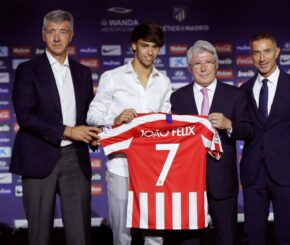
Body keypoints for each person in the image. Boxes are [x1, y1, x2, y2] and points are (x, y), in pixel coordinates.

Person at [10, 10, 101, 245]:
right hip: (38, 158)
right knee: (39, 236)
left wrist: (94, 133)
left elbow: (88, 115)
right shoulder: (27, 70)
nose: (57, 38)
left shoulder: (83, 72)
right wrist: (68, 130)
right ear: (43, 35)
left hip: (75, 159)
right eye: (51, 32)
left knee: (80, 235)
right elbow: (25, 116)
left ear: (71, 35)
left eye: (62, 32)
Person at [87, 21, 171, 244]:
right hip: (120, 166)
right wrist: (113, 120)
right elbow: (92, 115)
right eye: (145, 45)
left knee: (154, 235)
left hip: (154, 168)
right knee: (122, 235)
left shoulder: (164, 82)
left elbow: (166, 121)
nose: (150, 52)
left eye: (155, 47)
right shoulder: (112, 77)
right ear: (134, 45)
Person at [170, 40, 253, 245]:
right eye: (198, 64)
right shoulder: (177, 98)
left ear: (217, 65)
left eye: (208, 62)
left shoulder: (235, 95)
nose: (204, 68)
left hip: (222, 183)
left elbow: (249, 130)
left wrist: (229, 124)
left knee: (226, 239)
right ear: (190, 68)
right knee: (189, 242)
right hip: (188, 184)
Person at [240, 32, 290, 245]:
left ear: (277, 52)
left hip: (286, 174)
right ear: (251, 56)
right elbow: (243, 128)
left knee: (286, 236)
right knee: (253, 237)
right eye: (256, 53)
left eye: (267, 52)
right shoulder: (244, 89)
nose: (262, 58)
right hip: (253, 174)